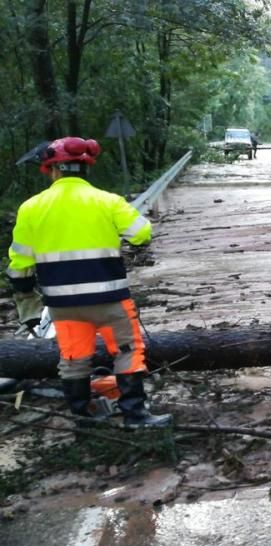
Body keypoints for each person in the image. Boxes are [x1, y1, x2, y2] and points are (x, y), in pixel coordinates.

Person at [6, 137, 172, 427]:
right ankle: (135, 416)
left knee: (73, 358)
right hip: (109, 299)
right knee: (127, 352)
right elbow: (141, 234)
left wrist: (26, 298)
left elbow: (20, 265)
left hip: (62, 304)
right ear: (86, 168)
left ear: (52, 170)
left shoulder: (31, 208)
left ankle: (83, 418)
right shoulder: (107, 201)